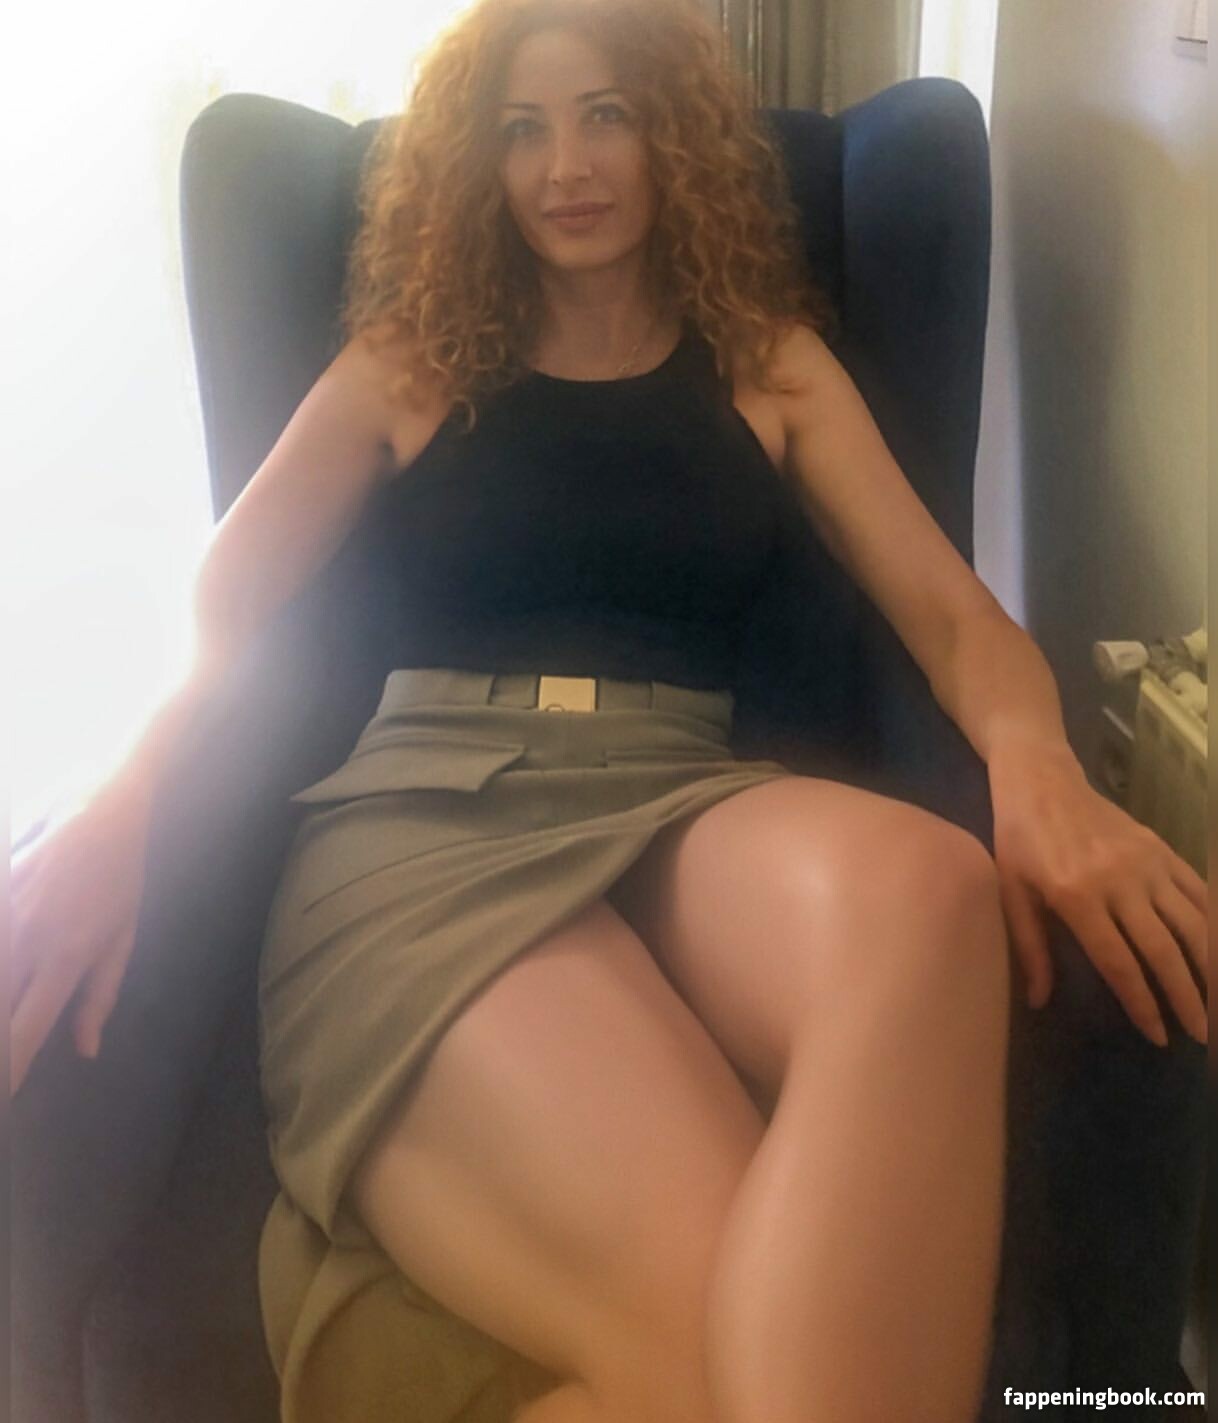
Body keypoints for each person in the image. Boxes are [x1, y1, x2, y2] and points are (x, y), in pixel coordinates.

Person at [10, 0, 1208, 1420]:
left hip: (684, 790)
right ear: (478, 160)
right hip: (434, 819)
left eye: (604, 117)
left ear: (670, 135)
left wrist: (1041, 771)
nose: (564, 166)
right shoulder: (410, 359)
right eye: (520, 129)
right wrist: (119, 803)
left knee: (934, 891)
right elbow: (227, 613)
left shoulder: (769, 363)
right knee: (723, 1344)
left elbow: (956, 624)